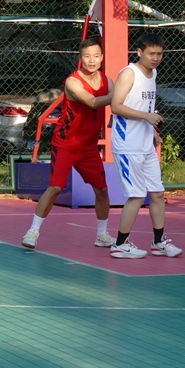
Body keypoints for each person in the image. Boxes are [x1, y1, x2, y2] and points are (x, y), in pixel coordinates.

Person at [21, 38, 115, 250]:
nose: (92, 60)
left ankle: (102, 234)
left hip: (89, 148)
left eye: (96, 56)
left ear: (102, 58)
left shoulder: (108, 81)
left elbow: (116, 105)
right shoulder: (72, 82)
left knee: (102, 190)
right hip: (65, 144)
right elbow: (92, 102)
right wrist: (119, 95)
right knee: (55, 187)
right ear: (80, 58)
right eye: (87, 56)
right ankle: (33, 231)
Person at [109, 33, 181, 259]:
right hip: (127, 144)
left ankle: (159, 241)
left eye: (159, 53)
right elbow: (116, 106)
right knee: (137, 196)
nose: (156, 58)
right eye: (151, 53)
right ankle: (120, 244)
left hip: (145, 143)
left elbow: (144, 106)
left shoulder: (154, 73)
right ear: (139, 52)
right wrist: (146, 118)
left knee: (158, 194)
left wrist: (152, 130)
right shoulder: (129, 73)